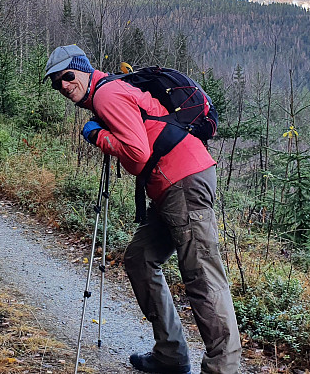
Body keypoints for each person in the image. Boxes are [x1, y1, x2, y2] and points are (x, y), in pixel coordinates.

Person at [44, 45, 242, 374]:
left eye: (67, 76)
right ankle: (170, 355)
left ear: (83, 69)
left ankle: (223, 369)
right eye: (56, 82)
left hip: (185, 181)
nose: (63, 85)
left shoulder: (106, 95)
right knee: (140, 258)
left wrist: (99, 136)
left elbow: (136, 155)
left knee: (202, 277)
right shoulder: (106, 92)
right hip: (170, 184)